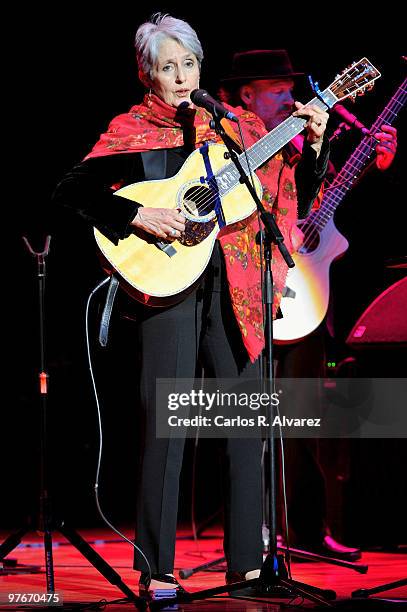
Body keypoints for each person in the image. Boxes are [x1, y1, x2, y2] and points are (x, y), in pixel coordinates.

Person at [52, 15, 329, 598]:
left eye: (189, 64)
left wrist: (319, 142)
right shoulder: (130, 131)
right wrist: (138, 214)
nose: (181, 76)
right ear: (146, 74)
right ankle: (158, 568)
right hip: (168, 282)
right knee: (169, 426)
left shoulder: (238, 127)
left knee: (244, 424)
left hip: (237, 282)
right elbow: (71, 191)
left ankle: (249, 567)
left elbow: (287, 189)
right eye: (168, 66)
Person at [219, 49, 398, 561]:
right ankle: (249, 537)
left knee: (305, 420)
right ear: (245, 94)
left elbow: (345, 211)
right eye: (275, 87)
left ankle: (309, 534)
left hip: (307, 295)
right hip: (250, 290)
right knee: (246, 419)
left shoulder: (312, 142)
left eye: (289, 85)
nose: (288, 94)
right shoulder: (229, 141)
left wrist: (380, 166)